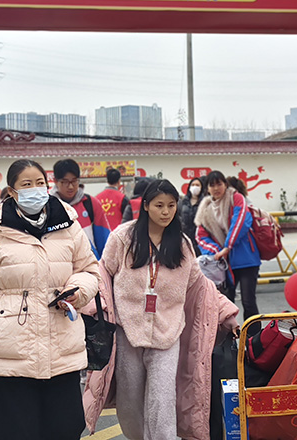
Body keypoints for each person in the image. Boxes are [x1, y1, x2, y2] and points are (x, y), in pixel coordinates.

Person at [0, 159, 100, 440]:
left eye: (40, 183)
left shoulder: (68, 226)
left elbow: (90, 270)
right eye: (26, 184)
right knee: (16, 432)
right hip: (11, 354)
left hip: (61, 350)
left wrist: (78, 290)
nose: (35, 189)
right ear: (12, 192)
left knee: (65, 428)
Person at [84, 179, 239, 440]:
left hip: (168, 333)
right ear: (145, 206)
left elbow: (201, 287)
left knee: (163, 399)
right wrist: (92, 305)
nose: (166, 212)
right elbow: (101, 274)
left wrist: (228, 315)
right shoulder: (123, 237)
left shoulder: (182, 244)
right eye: (159, 205)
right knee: (130, 401)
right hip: (127, 331)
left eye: (171, 205)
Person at [194, 170, 261, 324]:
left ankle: (253, 338)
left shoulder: (235, 198)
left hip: (246, 259)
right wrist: (217, 251)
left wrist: (227, 246)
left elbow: (241, 221)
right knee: (225, 303)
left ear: (225, 184)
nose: (216, 188)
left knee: (248, 301)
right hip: (224, 264)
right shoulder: (205, 207)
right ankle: (229, 337)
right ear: (207, 188)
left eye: (219, 184)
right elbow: (201, 235)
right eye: (212, 185)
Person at [50, 159, 111, 258]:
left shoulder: (91, 203)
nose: (70, 186)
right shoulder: (48, 206)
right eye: (65, 182)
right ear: (56, 181)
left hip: (89, 262)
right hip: (60, 262)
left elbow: (104, 239)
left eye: (74, 181)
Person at [178, 177, 204, 243]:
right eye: (193, 185)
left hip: (199, 238)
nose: (195, 187)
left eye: (197, 185)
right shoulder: (183, 202)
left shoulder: (204, 202)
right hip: (185, 236)